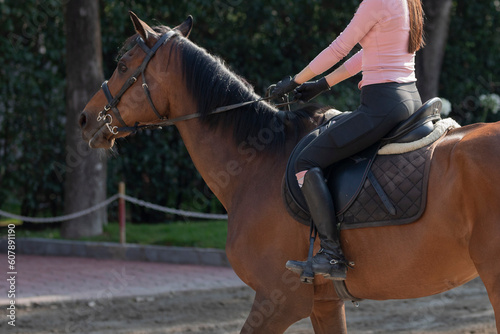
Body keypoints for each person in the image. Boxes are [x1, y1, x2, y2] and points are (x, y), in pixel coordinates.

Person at [272, 0, 425, 281]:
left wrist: (294, 81)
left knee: (305, 161)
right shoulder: (408, 2)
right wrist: (322, 84)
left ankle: (331, 254)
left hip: (382, 105)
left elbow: (339, 48)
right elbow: (368, 53)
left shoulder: (376, 2)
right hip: (409, 98)